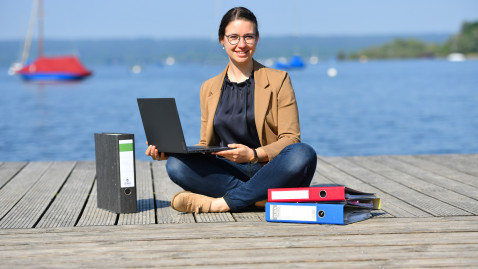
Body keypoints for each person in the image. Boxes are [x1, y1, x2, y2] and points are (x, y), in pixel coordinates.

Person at [145, 7, 317, 213]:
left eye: (248, 37)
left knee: (303, 153)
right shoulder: (208, 88)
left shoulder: (279, 80)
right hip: (229, 171)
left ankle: (221, 204)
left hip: (270, 169)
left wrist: (253, 154)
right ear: (222, 40)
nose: (241, 44)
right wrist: (171, 151)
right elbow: (205, 145)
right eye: (233, 37)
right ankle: (258, 200)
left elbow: (290, 138)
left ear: (257, 39)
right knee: (176, 165)